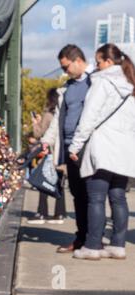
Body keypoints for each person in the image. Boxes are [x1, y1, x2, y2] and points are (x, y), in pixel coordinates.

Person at [69, 44, 135, 260]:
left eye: (97, 62)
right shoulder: (131, 85)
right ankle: (118, 245)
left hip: (103, 147)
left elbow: (89, 117)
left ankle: (93, 246)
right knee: (118, 197)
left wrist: (76, 145)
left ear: (108, 62)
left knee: (95, 197)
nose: (95, 66)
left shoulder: (103, 82)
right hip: (124, 151)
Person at [41, 44, 94, 253]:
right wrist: (46, 141)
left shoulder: (95, 82)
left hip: (88, 147)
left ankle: (93, 240)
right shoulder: (68, 87)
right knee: (77, 194)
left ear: (78, 60)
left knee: (93, 195)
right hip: (68, 147)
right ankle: (81, 238)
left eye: (66, 67)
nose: (64, 71)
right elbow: (57, 120)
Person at [28, 89, 67, 225]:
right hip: (61, 154)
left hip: (49, 154)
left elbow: (39, 134)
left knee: (43, 182)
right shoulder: (63, 113)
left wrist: (35, 122)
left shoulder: (48, 114)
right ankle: (60, 213)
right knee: (59, 184)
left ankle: (42, 213)